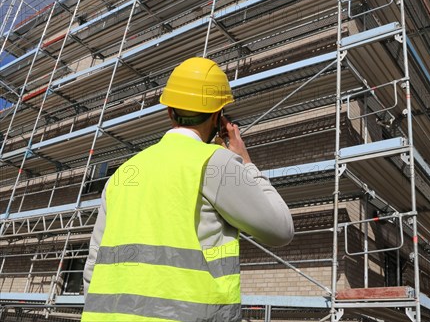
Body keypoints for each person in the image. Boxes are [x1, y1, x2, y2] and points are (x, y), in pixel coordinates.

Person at [82, 57, 294, 322]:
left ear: (170, 111)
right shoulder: (216, 162)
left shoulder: (123, 173)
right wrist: (246, 163)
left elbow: (93, 266)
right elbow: (281, 230)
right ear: (218, 116)